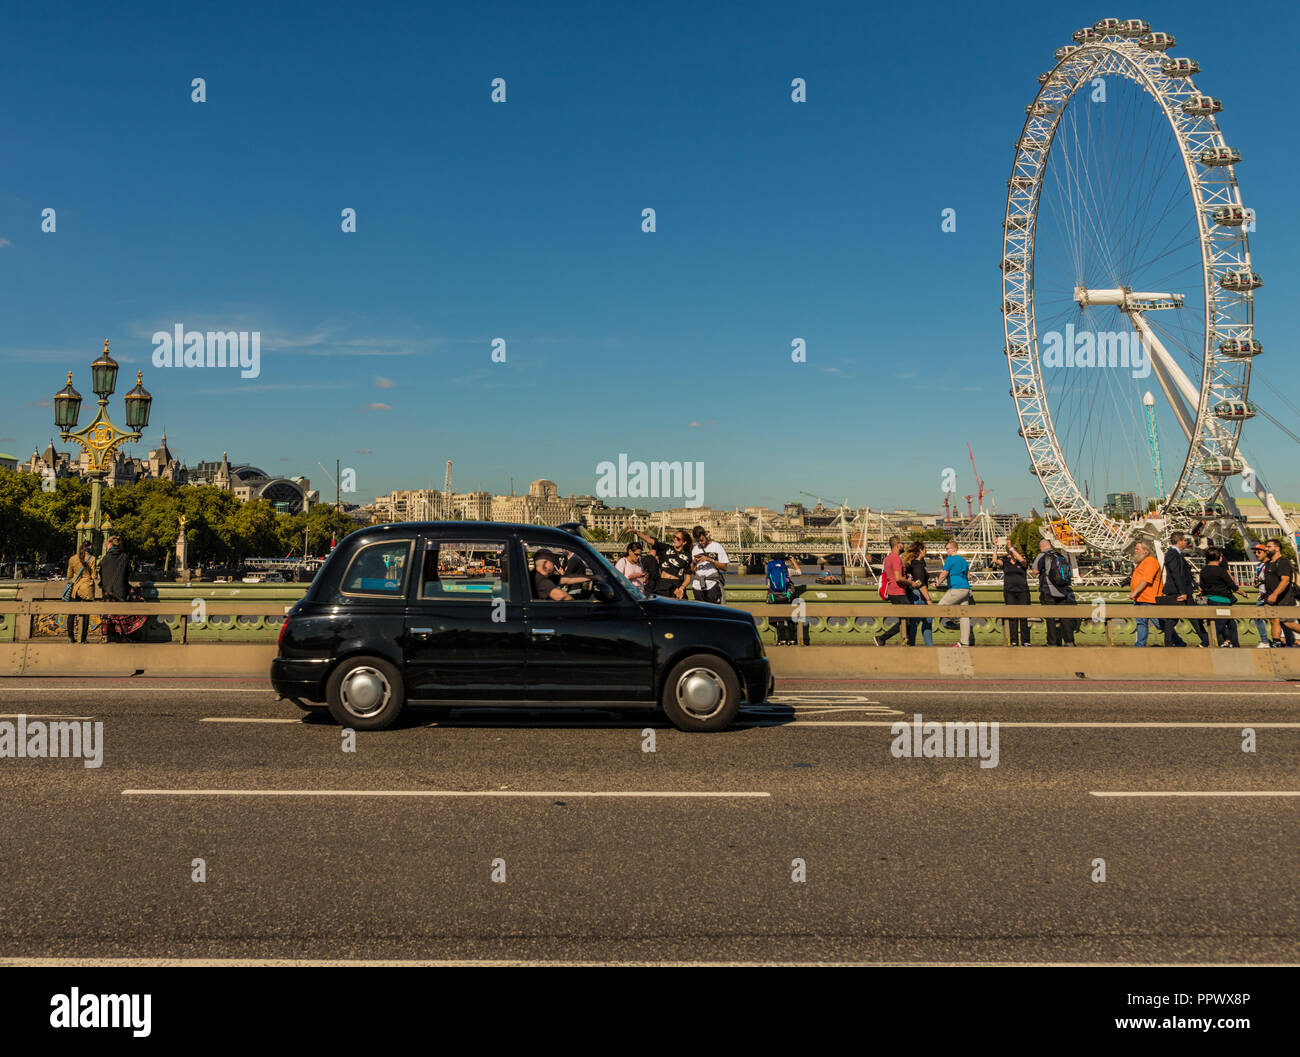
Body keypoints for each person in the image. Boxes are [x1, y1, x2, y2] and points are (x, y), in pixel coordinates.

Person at [1159, 532, 1208, 647]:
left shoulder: (1176, 553)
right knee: (1192, 617)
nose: (1186, 542)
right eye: (1185, 540)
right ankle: (1205, 640)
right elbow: (1176, 574)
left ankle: (1169, 643)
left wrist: (1196, 586)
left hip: (1180, 591)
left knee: (1173, 619)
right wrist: (1183, 592)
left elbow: (1185, 574)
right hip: (1178, 592)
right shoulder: (1172, 554)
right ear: (1179, 541)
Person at [629, 525, 693, 599]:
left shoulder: (688, 556)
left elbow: (688, 578)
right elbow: (650, 540)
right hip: (663, 583)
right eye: (674, 537)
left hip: (677, 584)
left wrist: (682, 588)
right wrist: (636, 532)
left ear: (684, 542)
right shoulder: (666, 548)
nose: (675, 539)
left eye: (678, 539)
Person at [1031, 539, 1075, 646]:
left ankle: (1052, 642)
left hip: (1048, 591)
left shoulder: (1042, 556)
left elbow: (1035, 571)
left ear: (1041, 547)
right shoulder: (1060, 556)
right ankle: (1069, 641)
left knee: (1050, 618)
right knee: (1065, 617)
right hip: (1062, 590)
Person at [98, 535, 142, 642]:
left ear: (109, 545)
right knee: (124, 613)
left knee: (107, 614)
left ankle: (106, 635)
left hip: (107, 592)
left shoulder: (105, 558)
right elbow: (128, 573)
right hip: (121, 591)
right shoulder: (124, 557)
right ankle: (124, 635)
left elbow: (101, 575)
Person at [1198, 546, 1242, 647]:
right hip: (1223, 601)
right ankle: (1204, 643)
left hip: (1211, 600)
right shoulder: (1221, 571)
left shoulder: (1204, 571)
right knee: (1220, 624)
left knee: (1231, 624)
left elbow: (1202, 586)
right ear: (1220, 558)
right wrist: (1243, 593)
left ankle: (1235, 645)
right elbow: (1232, 585)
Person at [935, 539, 973, 647]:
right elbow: (968, 576)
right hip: (966, 589)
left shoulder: (950, 559)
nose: (946, 551)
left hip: (956, 588)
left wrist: (938, 583)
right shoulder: (964, 561)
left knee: (940, 607)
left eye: (947, 549)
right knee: (964, 615)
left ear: (954, 549)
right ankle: (965, 642)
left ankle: (956, 621)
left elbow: (944, 574)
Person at [1262, 539, 1300, 646]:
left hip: (1284, 599)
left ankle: (1278, 642)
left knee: (1288, 623)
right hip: (1272, 599)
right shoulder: (1269, 563)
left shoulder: (1283, 562)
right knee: (1275, 620)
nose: (1266, 549)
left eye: (1269, 547)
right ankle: (1276, 642)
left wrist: (1275, 594)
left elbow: (1285, 580)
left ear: (1277, 548)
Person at [992, 542, 1031, 646]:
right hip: (1009, 591)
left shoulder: (1022, 563)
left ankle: (1026, 640)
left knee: (1024, 617)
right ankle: (1014, 640)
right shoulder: (1006, 563)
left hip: (1023, 591)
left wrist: (1012, 548)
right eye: (1009, 552)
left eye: (1012, 552)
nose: (1011, 554)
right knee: (1012, 617)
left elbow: (1022, 560)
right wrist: (995, 547)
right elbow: (995, 560)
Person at [874, 536, 911, 646]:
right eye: (902, 543)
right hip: (898, 592)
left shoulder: (887, 558)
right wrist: (910, 582)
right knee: (908, 619)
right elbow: (898, 578)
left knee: (903, 619)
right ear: (898, 544)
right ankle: (881, 638)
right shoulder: (896, 558)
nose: (903, 545)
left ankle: (905, 640)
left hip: (892, 592)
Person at [1129, 540, 1163, 647]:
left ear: (1145, 551)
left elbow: (1146, 580)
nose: (1135, 551)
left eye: (1137, 549)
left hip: (1149, 599)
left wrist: (1134, 592)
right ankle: (1139, 645)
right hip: (1141, 598)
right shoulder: (1143, 562)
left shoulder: (1150, 561)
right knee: (1141, 623)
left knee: (1159, 624)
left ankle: (1178, 641)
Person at [765, 553, 803, 645]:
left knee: (779, 619)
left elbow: (768, 584)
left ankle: (781, 640)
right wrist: (793, 561)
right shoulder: (786, 570)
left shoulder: (770, 569)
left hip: (775, 597)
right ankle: (792, 640)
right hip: (787, 596)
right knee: (790, 619)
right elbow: (799, 572)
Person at [64, 542, 97, 643]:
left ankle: (70, 636)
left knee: (72, 613)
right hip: (86, 588)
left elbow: (69, 575)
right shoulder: (92, 558)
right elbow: (94, 576)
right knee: (86, 614)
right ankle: (83, 638)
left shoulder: (72, 558)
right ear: (89, 548)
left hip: (75, 588)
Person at [902, 541, 933, 647]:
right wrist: (928, 599)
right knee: (925, 623)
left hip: (914, 595)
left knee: (918, 623)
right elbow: (921, 583)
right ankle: (926, 648)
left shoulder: (913, 563)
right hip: (919, 596)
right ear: (920, 550)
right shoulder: (918, 564)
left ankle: (913, 647)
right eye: (925, 549)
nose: (926, 550)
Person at [690, 525, 729, 604]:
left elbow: (724, 567)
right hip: (697, 586)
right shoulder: (695, 549)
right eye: (698, 541)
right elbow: (693, 571)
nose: (700, 543)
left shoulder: (716, 546)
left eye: (702, 540)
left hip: (712, 585)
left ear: (706, 535)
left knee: (714, 611)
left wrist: (710, 560)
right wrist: (694, 562)